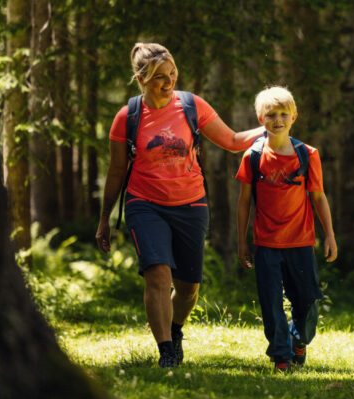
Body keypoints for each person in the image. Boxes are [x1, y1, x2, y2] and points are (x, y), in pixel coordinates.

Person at [96, 43, 263, 368]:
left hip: (190, 205)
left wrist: (270, 128)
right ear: (141, 79)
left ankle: (175, 329)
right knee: (158, 275)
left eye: (172, 73)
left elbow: (231, 142)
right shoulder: (127, 117)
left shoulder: (191, 105)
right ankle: (166, 353)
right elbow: (117, 170)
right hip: (144, 204)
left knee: (188, 288)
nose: (169, 81)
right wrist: (105, 217)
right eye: (160, 76)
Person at [236, 86, 338, 373]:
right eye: (271, 114)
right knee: (271, 305)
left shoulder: (308, 154)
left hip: (301, 243)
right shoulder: (252, 157)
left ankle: (299, 339)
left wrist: (329, 234)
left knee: (307, 301)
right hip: (266, 244)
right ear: (260, 117)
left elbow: (318, 196)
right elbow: (244, 203)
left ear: (294, 116)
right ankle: (281, 355)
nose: (277, 119)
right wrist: (242, 243)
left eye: (283, 114)